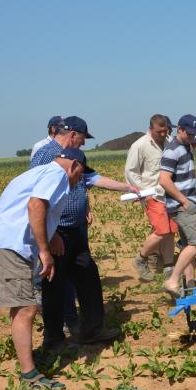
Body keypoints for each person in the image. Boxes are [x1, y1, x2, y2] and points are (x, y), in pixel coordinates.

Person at [0, 148, 88, 390]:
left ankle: (29, 362)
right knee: (26, 307)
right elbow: (35, 205)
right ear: (74, 165)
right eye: (80, 175)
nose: (78, 181)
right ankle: (29, 375)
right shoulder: (57, 175)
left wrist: (53, 232)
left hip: (2, 242)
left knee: (23, 305)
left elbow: (18, 207)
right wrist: (44, 250)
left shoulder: (39, 172)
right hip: (9, 244)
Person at [31, 116, 138, 349]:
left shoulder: (77, 155)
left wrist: (128, 187)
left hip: (77, 230)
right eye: (82, 138)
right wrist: (52, 234)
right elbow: (36, 198)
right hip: (58, 231)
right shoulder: (46, 155)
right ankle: (53, 339)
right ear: (72, 135)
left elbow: (89, 180)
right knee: (54, 284)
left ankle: (92, 330)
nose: (84, 143)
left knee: (88, 276)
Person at [159, 114, 196, 299]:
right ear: (179, 129)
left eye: (194, 134)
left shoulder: (185, 146)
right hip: (182, 205)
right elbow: (164, 180)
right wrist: (184, 201)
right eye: (189, 133)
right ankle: (173, 280)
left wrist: (191, 145)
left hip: (188, 203)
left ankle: (191, 283)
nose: (192, 137)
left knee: (188, 243)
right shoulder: (172, 151)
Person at [126, 114, 176, 281]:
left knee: (170, 232)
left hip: (168, 193)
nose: (163, 134)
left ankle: (169, 267)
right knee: (161, 231)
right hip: (151, 194)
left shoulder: (169, 142)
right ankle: (141, 259)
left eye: (165, 130)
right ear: (151, 128)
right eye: (159, 131)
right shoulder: (139, 145)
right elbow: (131, 172)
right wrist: (143, 192)